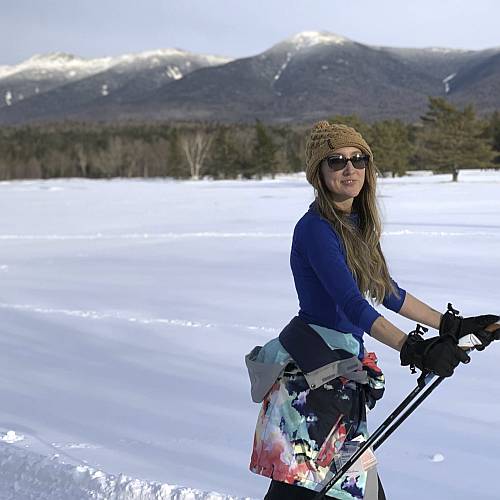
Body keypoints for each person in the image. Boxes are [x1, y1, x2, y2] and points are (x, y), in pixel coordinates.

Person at [245, 121, 500, 500]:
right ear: (319, 171)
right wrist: (413, 348)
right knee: (312, 491)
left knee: (341, 490)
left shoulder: (358, 224)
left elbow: (386, 290)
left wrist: (450, 324)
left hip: (338, 377)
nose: (350, 169)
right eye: (337, 161)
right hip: (311, 381)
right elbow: (352, 303)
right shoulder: (315, 229)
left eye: (358, 159)